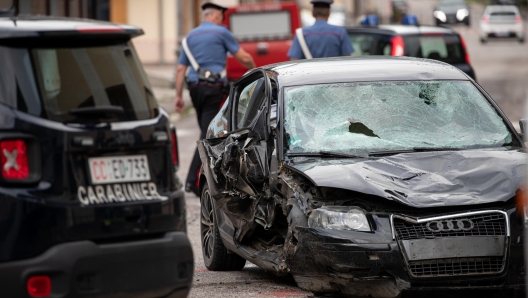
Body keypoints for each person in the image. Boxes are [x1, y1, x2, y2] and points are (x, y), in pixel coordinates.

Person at [175, 2, 255, 196]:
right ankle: (192, 181)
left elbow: (180, 69)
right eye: (222, 16)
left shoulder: (190, 36)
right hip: (213, 89)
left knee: (204, 128)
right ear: (217, 16)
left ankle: (198, 177)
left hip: (194, 89)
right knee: (206, 134)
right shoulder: (221, 32)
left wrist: (178, 96)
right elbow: (243, 57)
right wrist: (254, 69)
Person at [287, 0, 354, 60]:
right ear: (329, 13)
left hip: (310, 73)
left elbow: (295, 59)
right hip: (334, 73)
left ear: (312, 13)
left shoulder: (301, 34)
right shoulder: (340, 32)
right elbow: (347, 58)